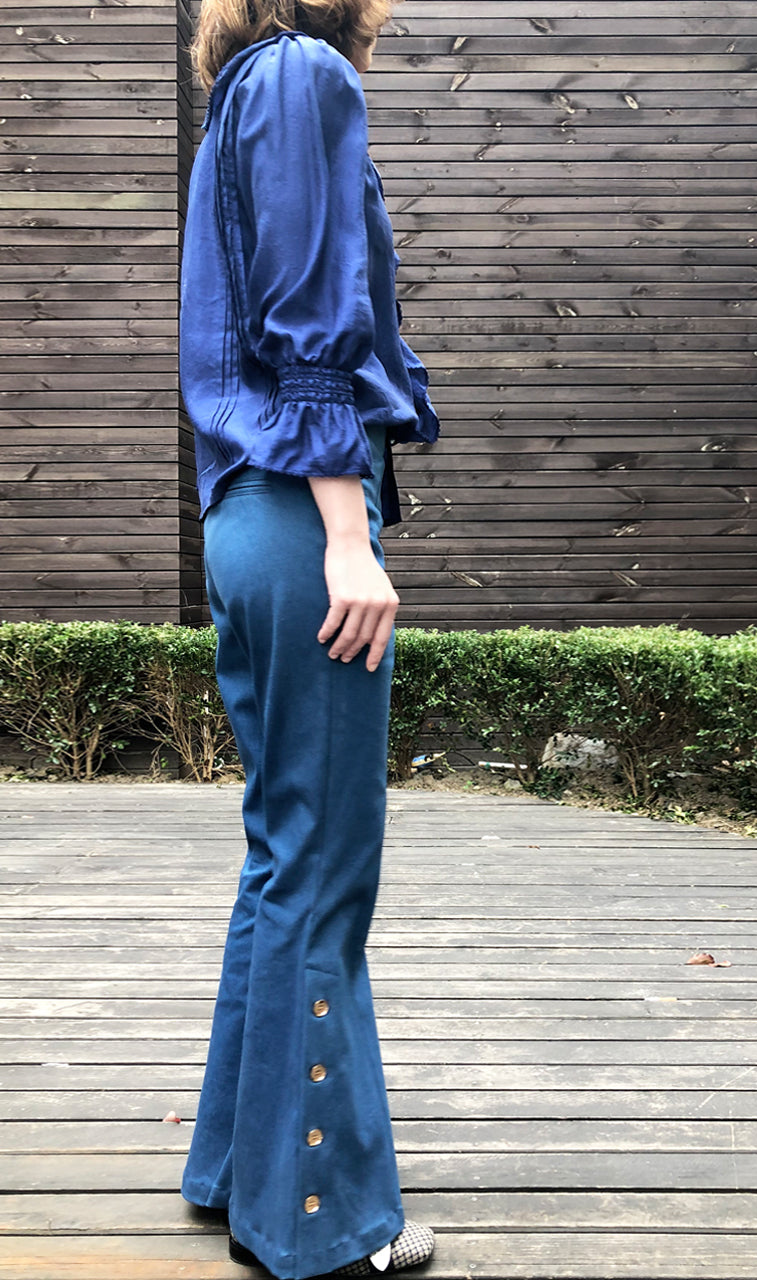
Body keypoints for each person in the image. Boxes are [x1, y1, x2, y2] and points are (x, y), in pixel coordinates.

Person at [177, 2, 440, 1277]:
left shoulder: (241, 94)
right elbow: (309, 319)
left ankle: (239, 1169)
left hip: (250, 513)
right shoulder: (303, 75)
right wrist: (349, 533)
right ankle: (323, 1220)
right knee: (325, 863)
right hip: (300, 515)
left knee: (284, 851)